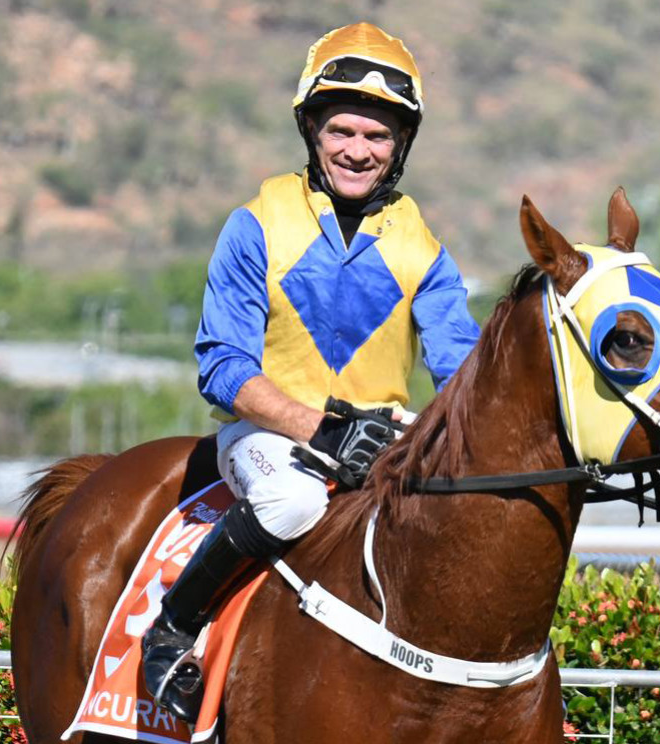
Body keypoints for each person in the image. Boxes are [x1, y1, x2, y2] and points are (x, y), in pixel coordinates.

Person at [142, 21, 481, 720]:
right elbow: (222, 368)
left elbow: (460, 375)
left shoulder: (425, 251)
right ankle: (173, 626)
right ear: (312, 132)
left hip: (383, 436)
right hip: (271, 437)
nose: (358, 151)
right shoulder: (256, 225)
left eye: (377, 137)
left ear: (401, 147)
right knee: (293, 504)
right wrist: (321, 431)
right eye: (343, 132)